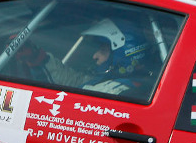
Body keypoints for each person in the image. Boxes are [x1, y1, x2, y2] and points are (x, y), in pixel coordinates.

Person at [15, 18, 154, 95]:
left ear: (122, 54)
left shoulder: (112, 92)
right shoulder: (109, 81)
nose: (95, 56)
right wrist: (39, 60)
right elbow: (75, 82)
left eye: (103, 50)